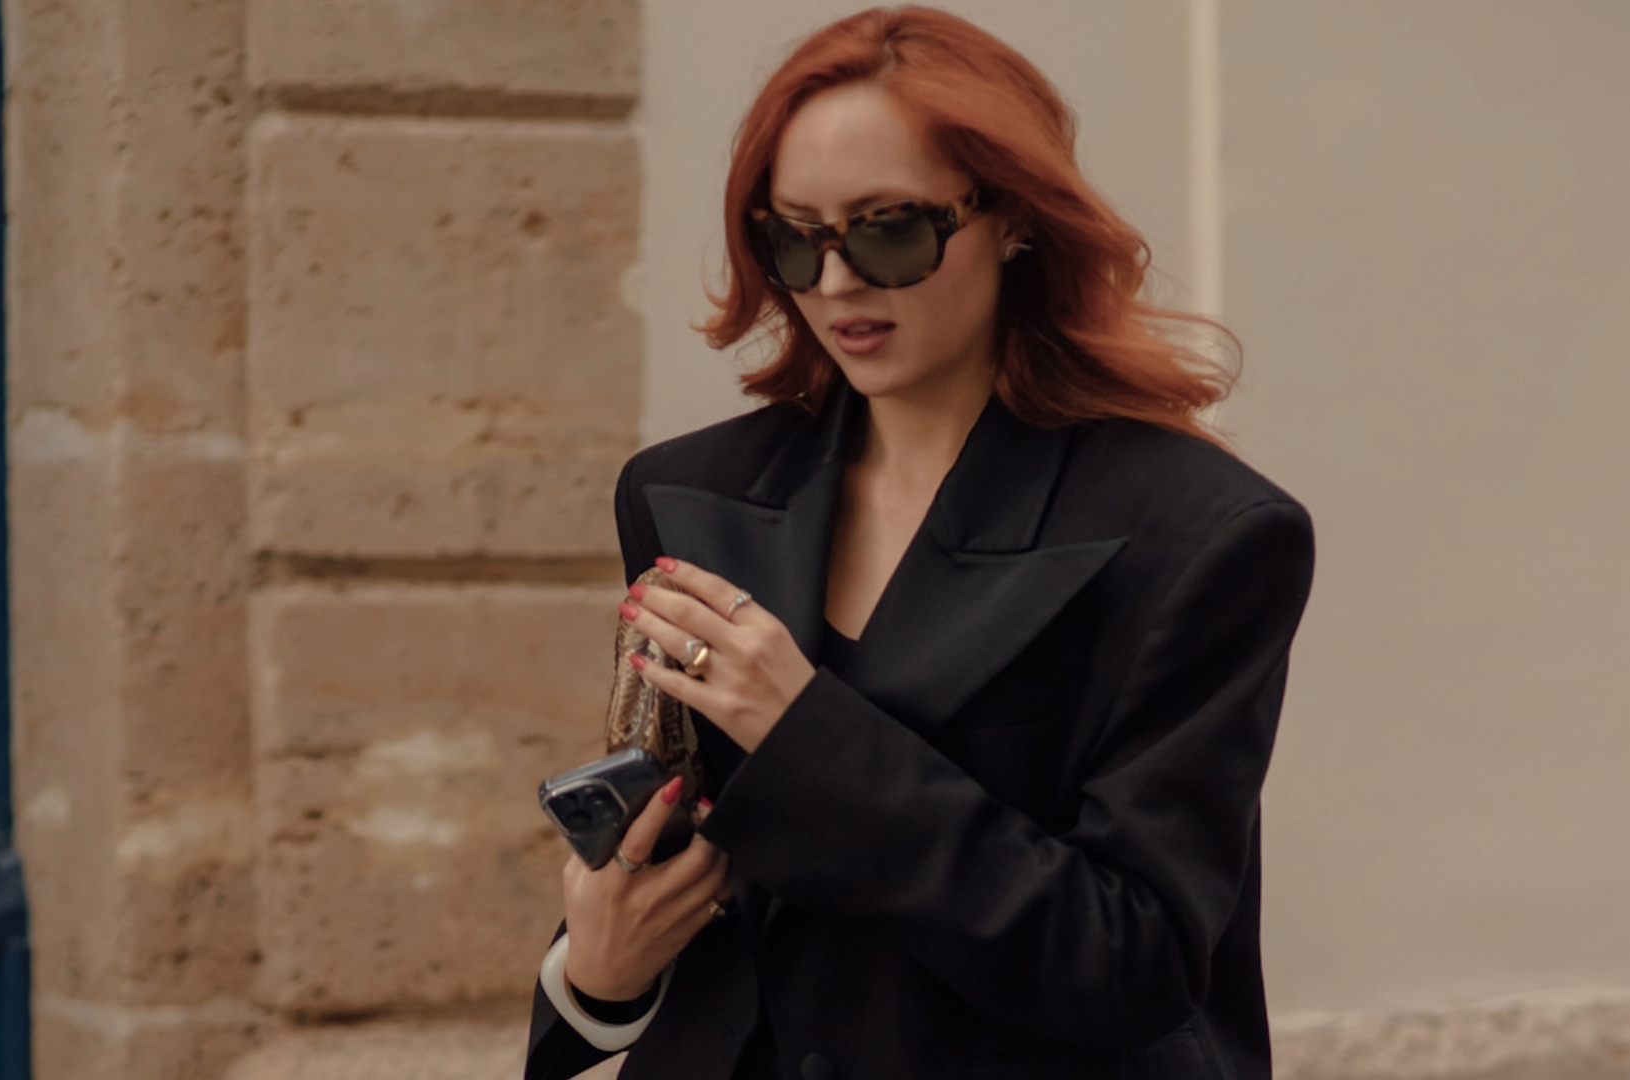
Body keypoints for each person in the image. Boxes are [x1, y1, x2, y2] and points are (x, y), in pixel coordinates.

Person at [524, 7, 1314, 1079]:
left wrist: (806, 733)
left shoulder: (1200, 535)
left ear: (1015, 220)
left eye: (890, 230)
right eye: (793, 237)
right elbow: (684, 885)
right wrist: (595, 979)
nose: (836, 281)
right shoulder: (684, 496)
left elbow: (1133, 963)